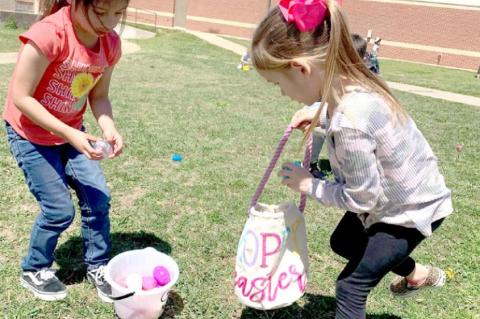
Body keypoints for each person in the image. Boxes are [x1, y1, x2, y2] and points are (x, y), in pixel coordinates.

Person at [250, 0, 453, 318]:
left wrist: (309, 184)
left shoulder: (350, 120)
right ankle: (417, 274)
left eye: (279, 84)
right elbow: (356, 123)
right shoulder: (352, 87)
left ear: (301, 69)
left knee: (350, 287)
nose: (282, 93)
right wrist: (319, 118)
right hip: (400, 198)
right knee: (344, 240)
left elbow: (362, 197)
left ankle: (413, 273)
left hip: (409, 211)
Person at [3, 0, 129, 302]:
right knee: (59, 210)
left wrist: (109, 127)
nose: (110, 23)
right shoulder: (48, 34)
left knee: (98, 198)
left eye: (119, 13)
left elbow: (99, 96)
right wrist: (70, 133)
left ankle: (97, 266)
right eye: (101, 12)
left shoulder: (110, 44)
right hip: (30, 134)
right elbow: (21, 96)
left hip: (70, 133)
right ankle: (34, 268)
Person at [307, 33, 378, 178]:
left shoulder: (362, 76)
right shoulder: (340, 72)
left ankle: (316, 165)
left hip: (352, 125)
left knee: (322, 131)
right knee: (319, 129)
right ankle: (312, 164)